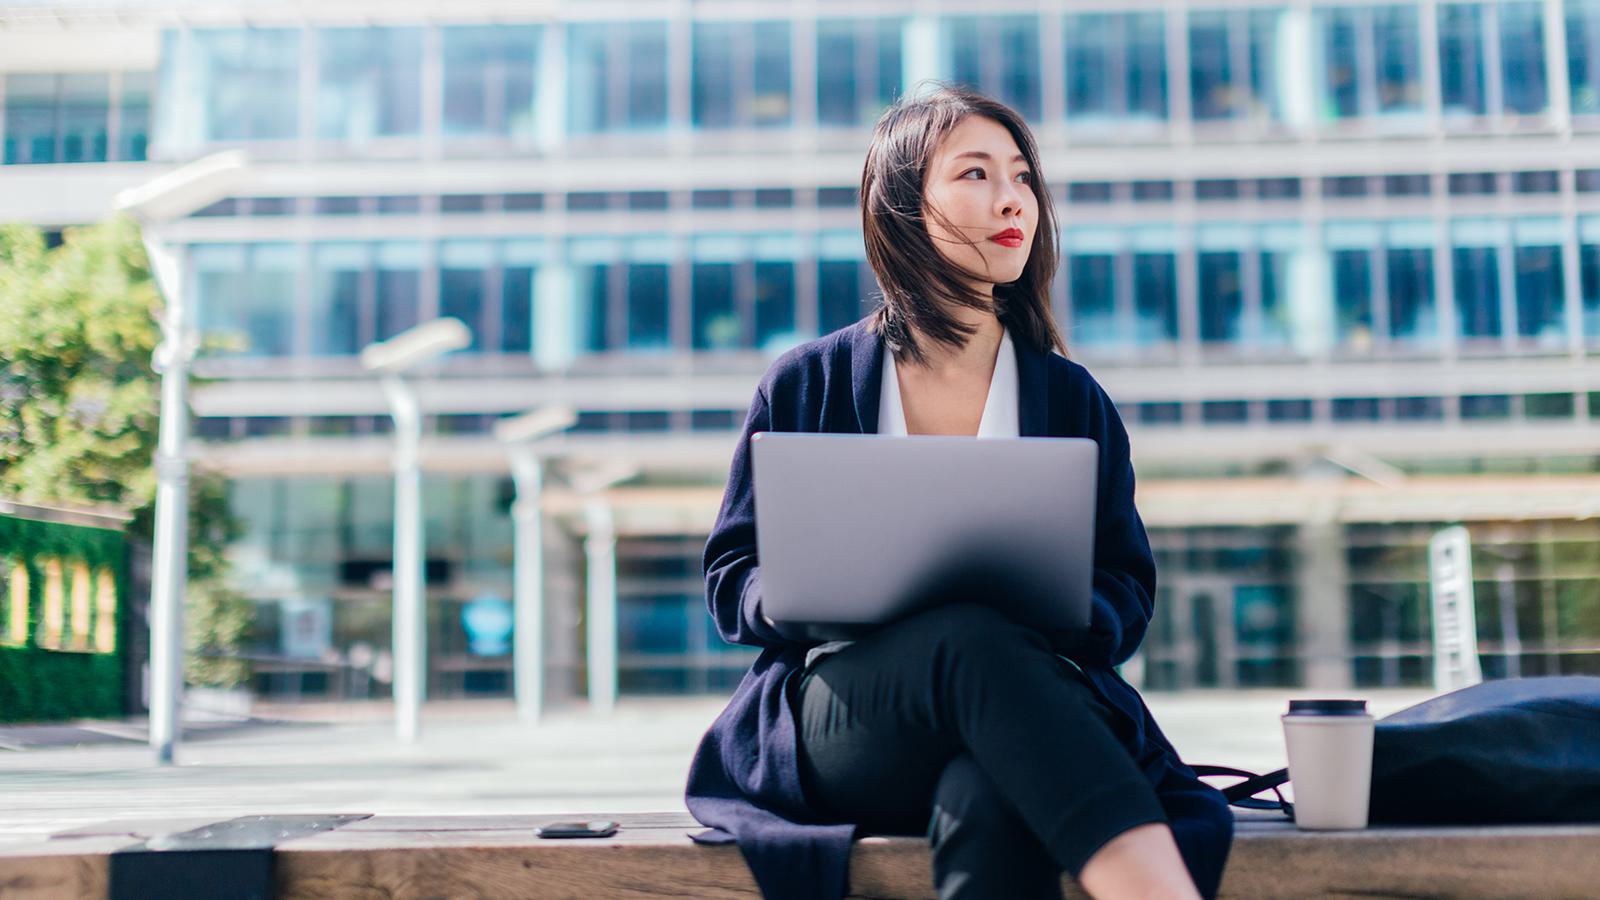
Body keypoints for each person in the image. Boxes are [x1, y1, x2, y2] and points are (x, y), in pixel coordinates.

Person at [684, 85, 1234, 900]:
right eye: (975, 175)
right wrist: (803, 590)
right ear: (904, 204)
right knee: (965, 639)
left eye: (1021, 177)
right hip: (851, 721)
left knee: (987, 792)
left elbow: (1126, 586)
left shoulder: (1072, 398)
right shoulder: (808, 382)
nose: (1011, 198)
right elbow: (732, 578)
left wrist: (1065, 609)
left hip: (1023, 709)